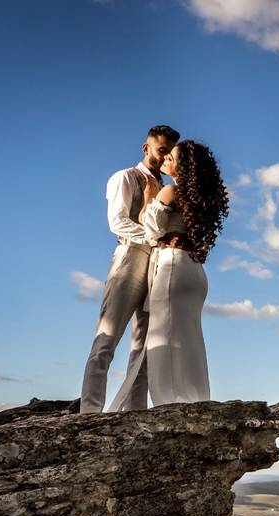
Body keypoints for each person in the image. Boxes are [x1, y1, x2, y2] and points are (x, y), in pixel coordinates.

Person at [108, 140, 229, 409]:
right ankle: (196, 399)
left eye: (171, 158)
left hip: (172, 268)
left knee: (165, 337)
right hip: (195, 271)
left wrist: (149, 202)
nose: (165, 161)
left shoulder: (170, 192)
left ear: (182, 166)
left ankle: (170, 403)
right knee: (190, 338)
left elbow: (150, 233)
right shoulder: (202, 200)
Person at [77, 125, 180, 413]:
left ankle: (134, 414)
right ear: (146, 148)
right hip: (129, 260)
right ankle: (89, 414)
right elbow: (117, 222)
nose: (164, 158)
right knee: (106, 340)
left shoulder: (170, 186)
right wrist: (155, 237)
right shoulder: (125, 178)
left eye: (169, 153)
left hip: (159, 267)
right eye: (161, 150)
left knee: (144, 348)